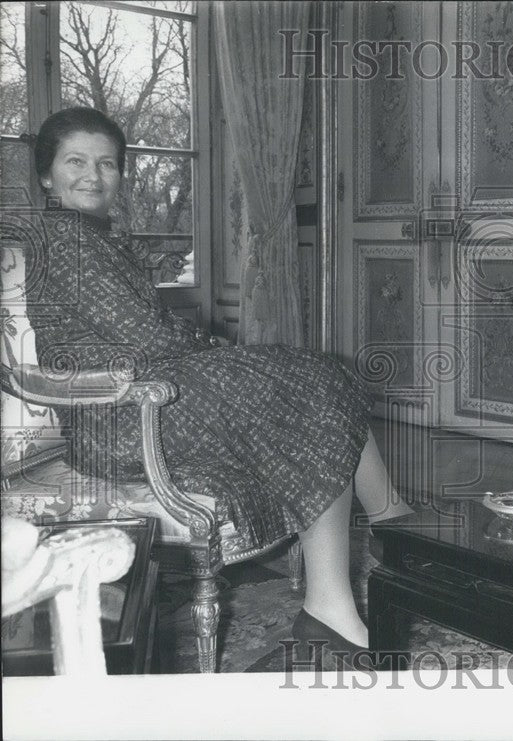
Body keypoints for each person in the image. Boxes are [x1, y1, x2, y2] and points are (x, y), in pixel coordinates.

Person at [25, 106, 411, 653]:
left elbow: (144, 336)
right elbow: (145, 336)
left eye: (106, 163)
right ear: (46, 175)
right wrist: (220, 351)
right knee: (317, 384)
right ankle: (378, 542)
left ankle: (370, 551)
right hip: (119, 414)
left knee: (317, 384)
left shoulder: (88, 237)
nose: (93, 175)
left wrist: (226, 357)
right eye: (76, 162)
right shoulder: (65, 242)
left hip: (145, 396)